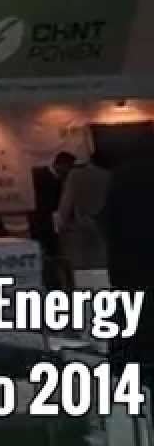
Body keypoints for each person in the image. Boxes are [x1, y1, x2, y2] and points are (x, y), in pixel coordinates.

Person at [106, 138, 154, 370]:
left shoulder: (121, 176)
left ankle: (126, 363)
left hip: (127, 262)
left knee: (130, 313)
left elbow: (109, 220)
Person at [55, 153, 112, 278]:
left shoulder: (76, 175)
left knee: (81, 268)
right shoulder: (109, 176)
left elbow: (66, 204)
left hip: (80, 226)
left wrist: (61, 225)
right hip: (103, 226)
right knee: (101, 265)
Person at [31, 152, 76, 289]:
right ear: (60, 164)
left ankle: (59, 284)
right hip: (40, 223)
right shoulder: (37, 176)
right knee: (46, 257)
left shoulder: (65, 180)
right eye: (68, 167)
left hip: (56, 224)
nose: (69, 171)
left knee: (57, 256)